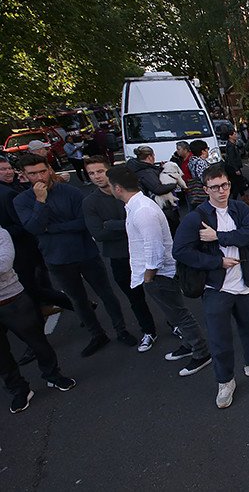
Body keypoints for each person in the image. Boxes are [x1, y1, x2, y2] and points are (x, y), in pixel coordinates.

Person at [173, 164, 249, 409]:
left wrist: (219, 237)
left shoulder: (239, 208)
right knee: (220, 337)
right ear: (205, 189)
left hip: (244, 281)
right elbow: (180, 251)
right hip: (216, 288)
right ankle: (225, 381)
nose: (221, 191)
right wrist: (217, 262)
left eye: (225, 185)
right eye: (215, 187)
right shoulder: (196, 218)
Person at [13, 154, 136, 356]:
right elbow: (34, 228)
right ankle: (96, 334)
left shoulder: (70, 192)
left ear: (50, 169)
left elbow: (83, 224)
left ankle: (121, 329)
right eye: (33, 174)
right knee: (78, 300)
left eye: (42, 171)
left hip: (85, 253)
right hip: (56, 259)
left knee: (107, 294)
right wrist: (40, 202)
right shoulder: (22, 200)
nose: (39, 177)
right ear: (24, 176)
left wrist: (50, 228)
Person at [106, 166, 212, 374]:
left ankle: (201, 352)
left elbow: (153, 247)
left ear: (117, 188)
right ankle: (190, 345)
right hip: (156, 273)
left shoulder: (143, 211)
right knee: (173, 314)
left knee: (179, 313)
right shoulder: (136, 205)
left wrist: (148, 277)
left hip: (160, 273)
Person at [82, 156, 158, 351]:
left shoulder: (132, 194)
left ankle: (176, 325)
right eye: (91, 173)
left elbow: (147, 223)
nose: (96, 176)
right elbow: (98, 233)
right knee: (135, 298)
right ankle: (148, 330)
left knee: (161, 292)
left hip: (144, 252)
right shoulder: (90, 202)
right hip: (119, 257)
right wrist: (131, 225)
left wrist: (113, 225)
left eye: (100, 171)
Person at [0, 226, 76, 414]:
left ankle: (53, 375)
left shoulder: (1, 233)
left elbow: (4, 264)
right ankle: (19, 390)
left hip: (13, 301)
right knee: (1, 357)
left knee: (37, 342)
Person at [126, 146, 180, 235]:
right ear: (150, 157)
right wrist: (174, 184)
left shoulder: (139, 167)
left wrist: (161, 169)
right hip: (161, 207)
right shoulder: (146, 172)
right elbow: (157, 189)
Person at [223, 129, 247, 200]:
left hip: (233, 167)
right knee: (236, 183)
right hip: (233, 168)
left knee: (238, 183)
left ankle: (243, 197)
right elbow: (231, 158)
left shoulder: (233, 144)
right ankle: (234, 199)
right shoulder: (231, 146)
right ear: (230, 136)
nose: (236, 136)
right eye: (234, 134)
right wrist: (236, 169)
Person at [187, 140, 211, 209]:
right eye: (207, 149)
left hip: (194, 189)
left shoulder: (192, 160)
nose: (208, 151)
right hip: (202, 191)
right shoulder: (201, 162)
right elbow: (203, 177)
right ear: (203, 151)